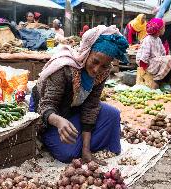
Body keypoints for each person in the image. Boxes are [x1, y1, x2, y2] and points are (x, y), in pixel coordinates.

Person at [31, 25, 128, 164]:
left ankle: (80, 143)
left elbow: (91, 106)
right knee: (67, 154)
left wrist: (86, 149)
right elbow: (46, 105)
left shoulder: (103, 72)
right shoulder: (64, 68)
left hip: (74, 106)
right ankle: (53, 138)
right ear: (87, 52)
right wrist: (59, 121)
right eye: (95, 61)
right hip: (50, 111)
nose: (96, 70)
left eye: (104, 66)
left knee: (112, 115)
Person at [136, 18, 171, 88]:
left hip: (156, 61)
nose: (165, 30)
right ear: (158, 30)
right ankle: (157, 81)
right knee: (169, 59)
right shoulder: (148, 39)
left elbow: (163, 53)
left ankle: (165, 81)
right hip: (147, 63)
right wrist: (143, 68)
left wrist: (164, 59)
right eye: (164, 28)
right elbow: (144, 55)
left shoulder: (158, 39)